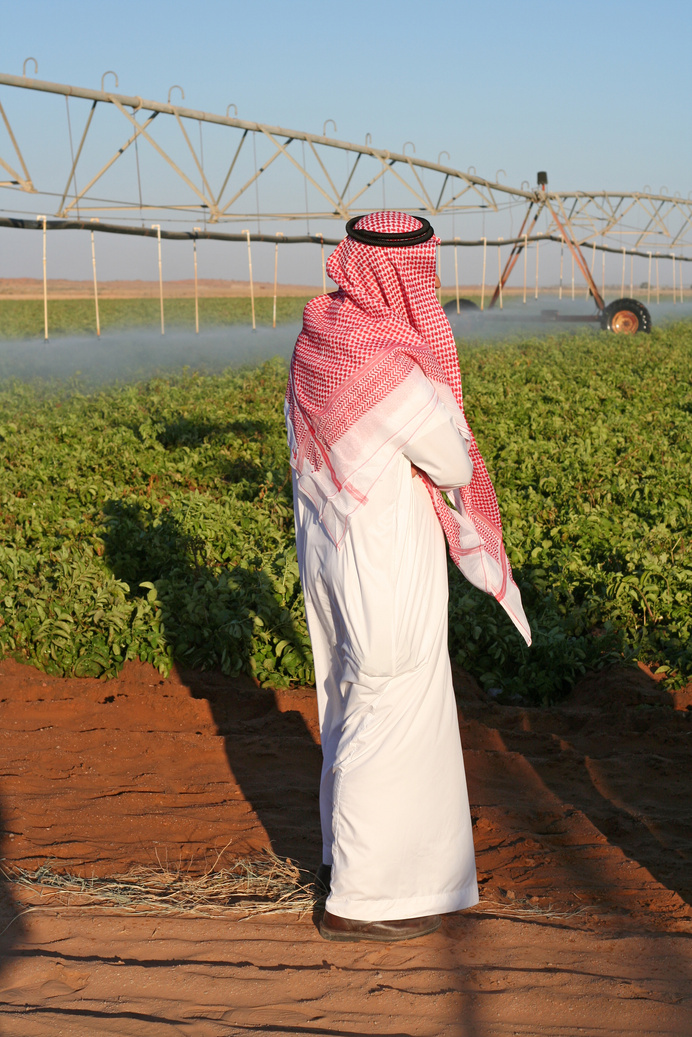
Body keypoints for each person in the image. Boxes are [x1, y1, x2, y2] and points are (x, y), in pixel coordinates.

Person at [285, 211, 530, 943]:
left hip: (333, 552)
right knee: (387, 707)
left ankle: (367, 872)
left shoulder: (319, 337)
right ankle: (362, 899)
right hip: (386, 559)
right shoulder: (392, 365)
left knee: (354, 700)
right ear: (406, 273)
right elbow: (454, 464)